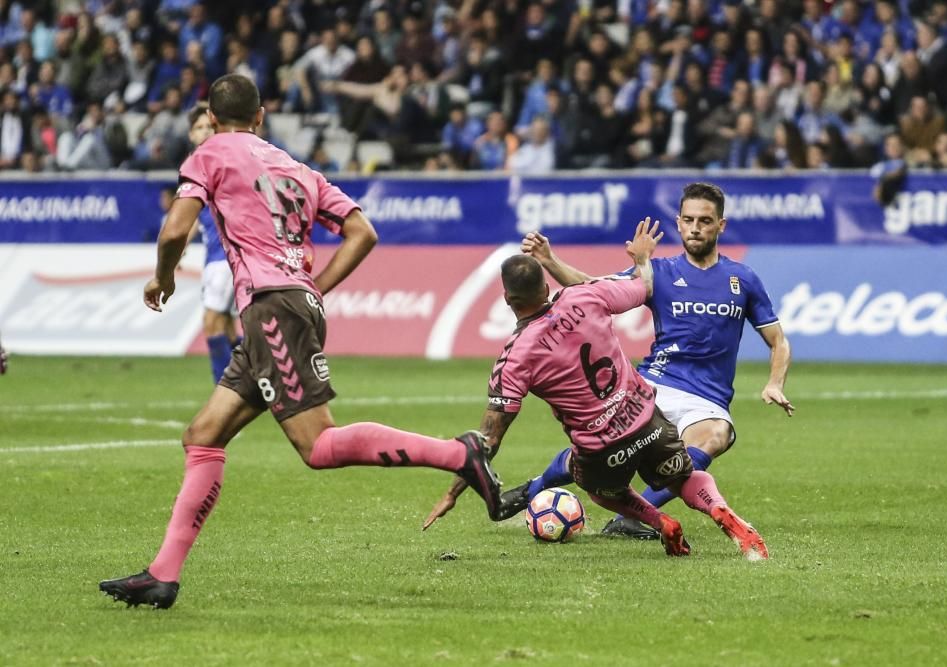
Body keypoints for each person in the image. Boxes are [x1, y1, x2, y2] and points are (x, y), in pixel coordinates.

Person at [99, 74, 502, 610]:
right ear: (262, 117)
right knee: (203, 434)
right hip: (289, 306)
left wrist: (163, 277)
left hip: (271, 307)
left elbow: (174, 230)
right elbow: (363, 231)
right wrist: (315, 287)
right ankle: (162, 575)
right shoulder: (297, 168)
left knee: (317, 446)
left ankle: (459, 453)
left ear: (213, 120)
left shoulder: (210, 152)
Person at [422, 219, 768, 561]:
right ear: (546, 289)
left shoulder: (513, 360)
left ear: (507, 299)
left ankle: (659, 520)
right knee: (683, 477)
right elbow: (643, 287)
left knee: (600, 489)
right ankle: (721, 510)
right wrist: (643, 258)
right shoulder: (585, 296)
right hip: (647, 420)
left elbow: (488, 440)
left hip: (602, 449)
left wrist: (454, 492)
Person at [496, 182, 793, 540]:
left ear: (721, 226)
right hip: (653, 385)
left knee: (715, 436)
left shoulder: (742, 279)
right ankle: (535, 487)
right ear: (679, 224)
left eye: (705, 220)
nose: (696, 227)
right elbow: (592, 288)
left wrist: (775, 382)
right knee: (603, 443)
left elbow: (777, 341)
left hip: (707, 399)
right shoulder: (660, 272)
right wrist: (549, 261)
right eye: (688, 220)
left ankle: (632, 517)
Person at [183, 103, 240, 383]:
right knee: (228, 327)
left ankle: (226, 394)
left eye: (208, 126)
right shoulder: (200, 163)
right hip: (218, 257)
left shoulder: (219, 161)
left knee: (211, 322)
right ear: (191, 135)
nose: (204, 131)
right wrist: (183, 239)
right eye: (198, 128)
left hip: (225, 257)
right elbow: (196, 210)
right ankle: (256, 385)